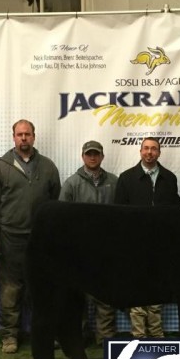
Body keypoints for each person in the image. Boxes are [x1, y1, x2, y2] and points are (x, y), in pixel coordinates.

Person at [0, 120, 61, 354]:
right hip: (9, 239)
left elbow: (56, 204)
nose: (24, 138)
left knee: (42, 290)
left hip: (40, 241)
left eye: (27, 134)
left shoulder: (48, 167)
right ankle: (9, 336)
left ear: (34, 137)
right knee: (11, 290)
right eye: (20, 134)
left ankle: (45, 333)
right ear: (13, 137)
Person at [114, 137, 180, 338]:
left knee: (157, 290)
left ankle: (157, 334)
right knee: (136, 290)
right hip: (134, 244)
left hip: (161, 244)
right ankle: (139, 335)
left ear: (159, 153)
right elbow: (118, 213)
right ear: (140, 151)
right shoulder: (126, 178)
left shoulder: (170, 178)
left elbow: (175, 211)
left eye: (153, 149)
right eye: (146, 149)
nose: (149, 152)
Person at [59, 140, 120, 344]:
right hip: (79, 251)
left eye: (96, 154)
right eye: (89, 154)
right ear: (82, 156)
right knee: (79, 296)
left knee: (106, 296)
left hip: (107, 249)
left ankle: (105, 337)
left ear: (102, 156)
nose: (92, 157)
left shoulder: (114, 181)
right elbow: (63, 219)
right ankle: (79, 336)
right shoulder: (71, 183)